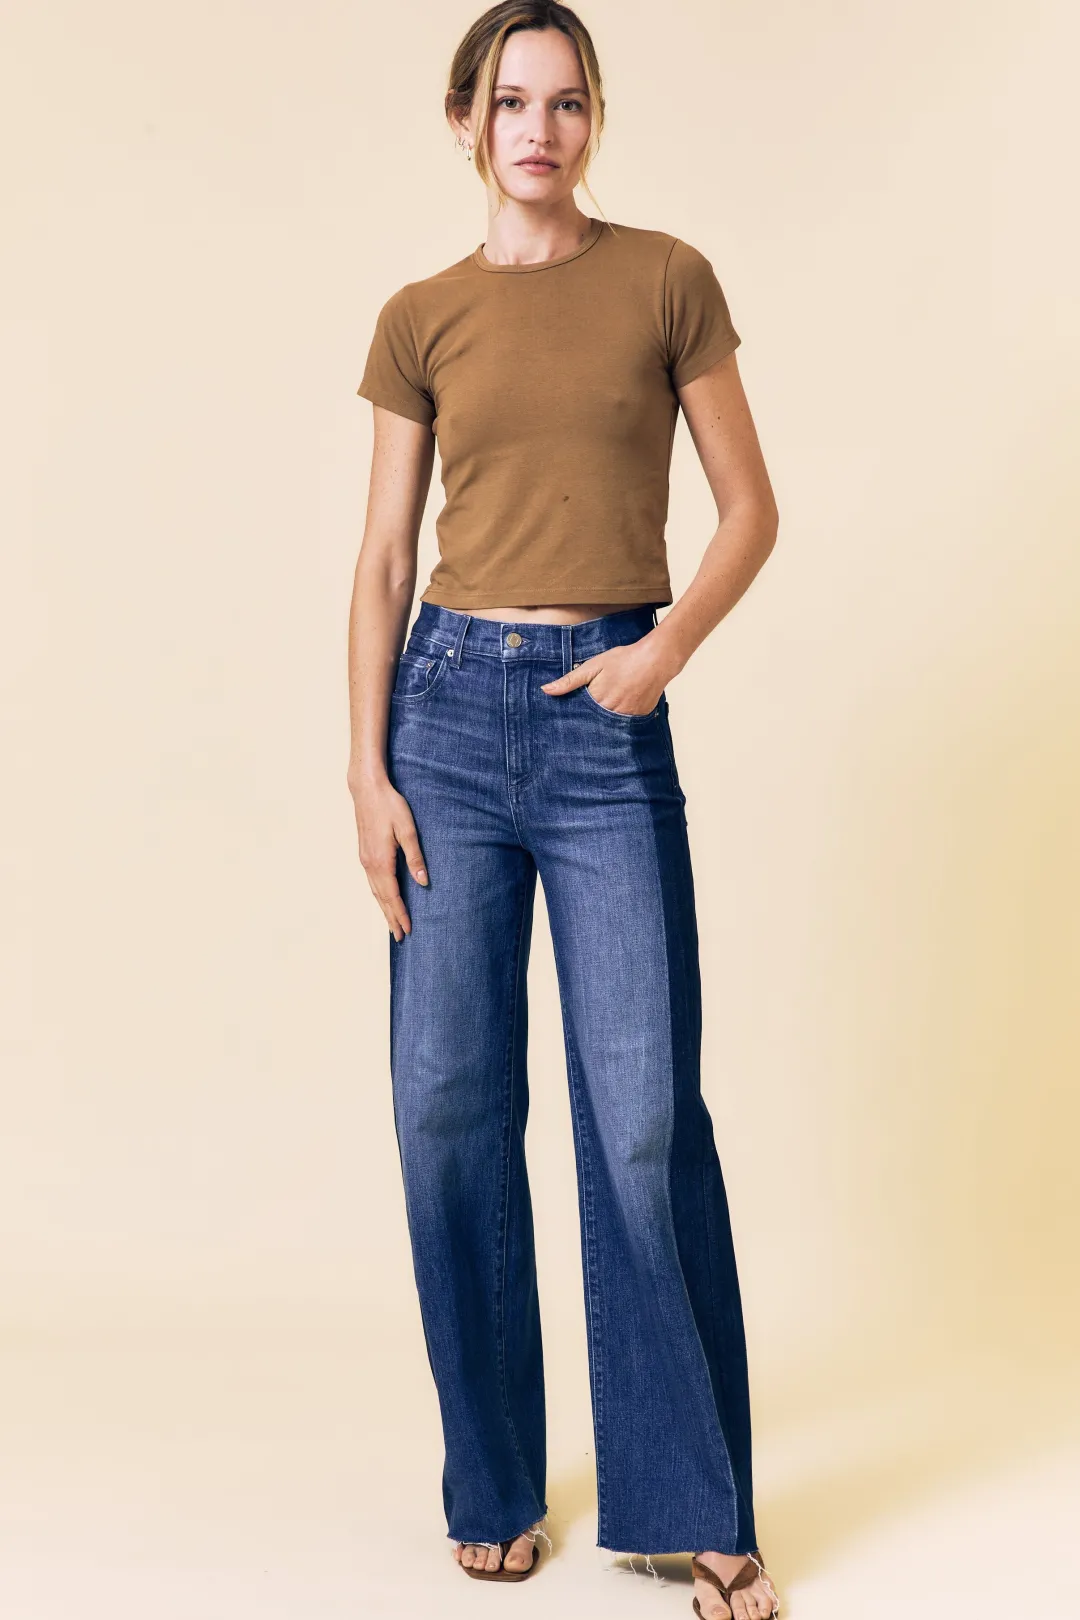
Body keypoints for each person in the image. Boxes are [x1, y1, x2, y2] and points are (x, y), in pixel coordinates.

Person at [346, 5, 780, 1617]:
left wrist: (662, 653)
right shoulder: (419, 317)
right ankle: (493, 1479)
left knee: (645, 1115)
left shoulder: (667, 280)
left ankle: (691, 1501)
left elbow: (750, 508)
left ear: (595, 121)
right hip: (446, 718)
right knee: (446, 1107)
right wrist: (367, 771)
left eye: (568, 101)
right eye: (512, 101)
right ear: (466, 118)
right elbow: (383, 560)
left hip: (606, 721)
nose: (540, 129)